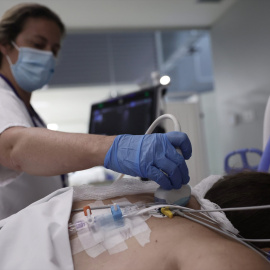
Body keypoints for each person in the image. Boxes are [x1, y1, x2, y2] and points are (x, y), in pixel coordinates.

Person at [0, 3, 192, 219]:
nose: (48, 56)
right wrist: (113, 148)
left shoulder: (26, 110)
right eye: (37, 44)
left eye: (54, 50)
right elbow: (13, 147)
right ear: (5, 45)